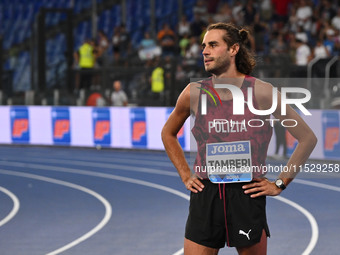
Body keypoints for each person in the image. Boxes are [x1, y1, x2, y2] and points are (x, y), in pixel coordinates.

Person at [161, 22, 317, 255]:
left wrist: (280, 183)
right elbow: (168, 133)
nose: (204, 51)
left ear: (233, 49)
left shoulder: (262, 92)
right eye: (204, 45)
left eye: (213, 45)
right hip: (206, 194)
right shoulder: (193, 93)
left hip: (247, 195)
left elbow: (307, 138)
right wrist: (185, 174)